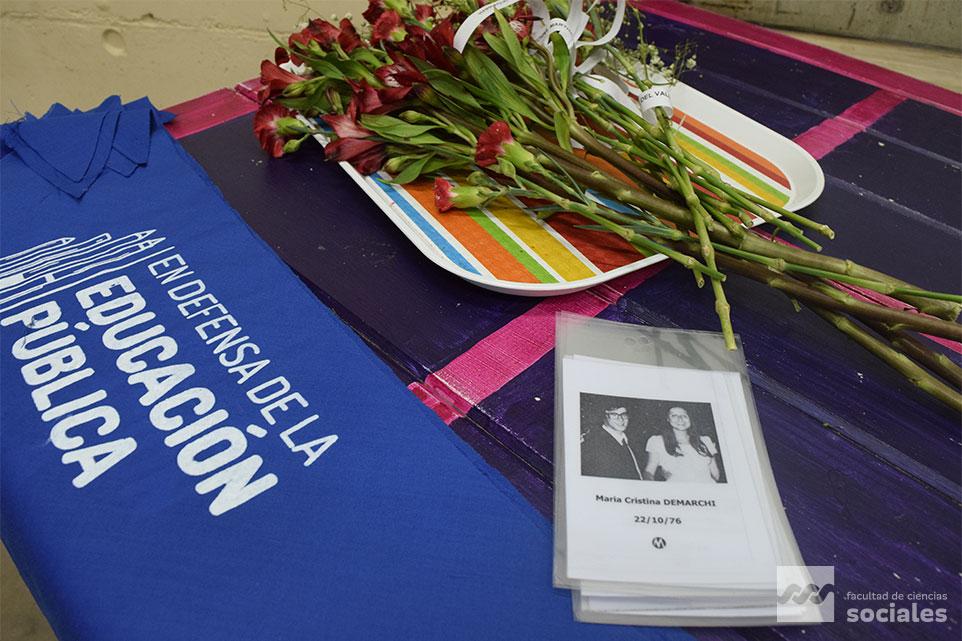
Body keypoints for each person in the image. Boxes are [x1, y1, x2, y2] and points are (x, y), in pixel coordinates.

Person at [643, 406, 721, 483]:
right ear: (668, 419)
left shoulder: (705, 440)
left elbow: (715, 474)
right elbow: (649, 472)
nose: (680, 419)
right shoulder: (657, 441)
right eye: (674, 415)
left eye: (684, 416)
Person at [581, 404, 643, 480]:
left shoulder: (630, 440)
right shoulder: (595, 443)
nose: (620, 419)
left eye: (623, 414)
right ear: (605, 416)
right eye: (614, 415)